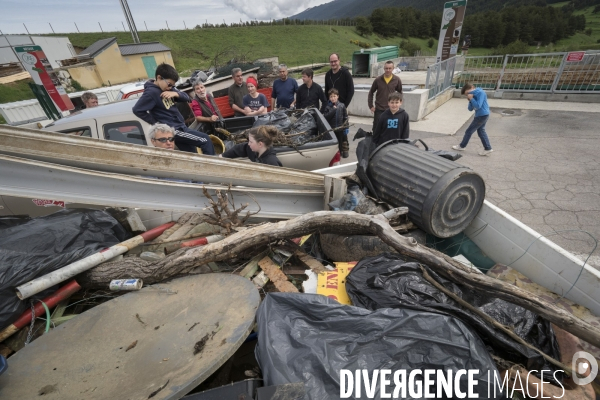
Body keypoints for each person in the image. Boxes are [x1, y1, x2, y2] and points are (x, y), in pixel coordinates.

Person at [133, 63, 215, 155]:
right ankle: (213, 167)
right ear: (159, 78)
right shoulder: (151, 93)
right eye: (169, 84)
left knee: (192, 153)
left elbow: (187, 98)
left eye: (173, 85)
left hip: (181, 126)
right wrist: (158, 123)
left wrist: (176, 94)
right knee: (205, 140)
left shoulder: (169, 89)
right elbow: (137, 110)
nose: (170, 87)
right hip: (174, 129)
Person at [452, 83, 493, 156]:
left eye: (467, 92)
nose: (468, 94)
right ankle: (488, 148)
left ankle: (462, 146)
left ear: (472, 87)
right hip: (481, 115)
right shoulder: (474, 95)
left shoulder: (480, 93)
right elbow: (470, 109)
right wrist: (470, 100)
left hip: (482, 115)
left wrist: (472, 98)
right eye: (466, 94)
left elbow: (478, 105)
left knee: (469, 131)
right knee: (481, 131)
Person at [368, 60, 403, 132]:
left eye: (390, 68)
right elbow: (371, 92)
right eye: (386, 68)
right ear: (384, 68)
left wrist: (397, 104)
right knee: (377, 129)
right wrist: (371, 106)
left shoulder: (397, 79)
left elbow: (400, 92)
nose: (388, 70)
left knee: (389, 129)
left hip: (391, 109)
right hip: (379, 109)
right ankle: (376, 143)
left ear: (393, 69)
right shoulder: (378, 80)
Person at [323, 88, 350, 158]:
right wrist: (333, 110)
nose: (333, 98)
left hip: (340, 129)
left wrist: (346, 127)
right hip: (332, 130)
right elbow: (326, 117)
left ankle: (340, 154)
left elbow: (345, 117)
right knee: (333, 145)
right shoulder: (328, 107)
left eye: (334, 96)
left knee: (340, 144)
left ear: (338, 96)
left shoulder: (342, 105)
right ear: (329, 97)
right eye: (331, 96)